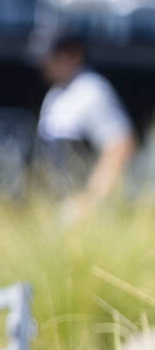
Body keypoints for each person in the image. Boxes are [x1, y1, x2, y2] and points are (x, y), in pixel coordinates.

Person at [31, 27, 137, 218]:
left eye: (52, 56)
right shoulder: (55, 94)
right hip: (57, 206)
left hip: (85, 216)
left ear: (73, 54)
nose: (44, 64)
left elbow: (120, 146)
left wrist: (90, 199)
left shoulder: (92, 91)